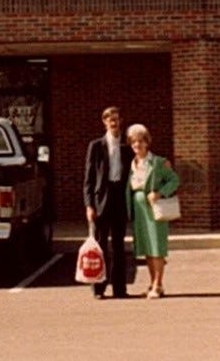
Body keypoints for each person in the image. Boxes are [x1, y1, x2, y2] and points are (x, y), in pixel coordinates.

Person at [126, 123, 180, 299]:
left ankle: (158, 284)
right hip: (139, 210)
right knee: (147, 248)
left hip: (154, 209)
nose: (137, 145)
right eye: (134, 142)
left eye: (140, 141)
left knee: (157, 247)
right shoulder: (132, 163)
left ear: (147, 142)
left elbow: (174, 180)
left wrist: (160, 193)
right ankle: (153, 283)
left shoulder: (158, 162)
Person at [84, 106, 132, 299]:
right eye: (110, 120)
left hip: (120, 197)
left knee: (119, 247)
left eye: (117, 119)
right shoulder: (96, 146)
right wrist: (89, 205)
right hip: (101, 200)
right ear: (104, 122)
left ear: (121, 121)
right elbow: (88, 178)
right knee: (100, 246)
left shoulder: (127, 147)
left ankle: (120, 289)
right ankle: (99, 289)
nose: (114, 123)